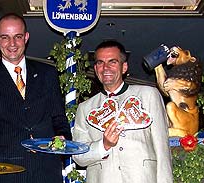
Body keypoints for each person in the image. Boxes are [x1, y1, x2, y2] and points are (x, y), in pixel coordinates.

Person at [0, 13, 71, 183]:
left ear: (26, 37)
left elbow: (59, 119)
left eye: (18, 37)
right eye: (5, 37)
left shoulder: (48, 74)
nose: (12, 44)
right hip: (4, 175)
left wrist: (61, 136)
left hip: (46, 172)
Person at [72, 40, 173, 183]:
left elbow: (162, 148)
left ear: (124, 67)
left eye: (112, 62)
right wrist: (104, 145)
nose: (105, 68)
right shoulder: (85, 108)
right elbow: (79, 156)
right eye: (100, 63)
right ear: (95, 69)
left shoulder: (148, 95)